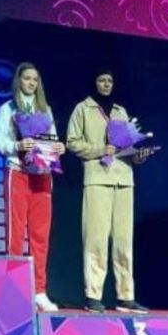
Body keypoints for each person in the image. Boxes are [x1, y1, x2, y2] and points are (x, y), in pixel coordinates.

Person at [66, 68, 154, 314]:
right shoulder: (82, 109)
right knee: (96, 239)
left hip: (124, 179)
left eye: (110, 81)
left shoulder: (120, 111)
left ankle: (126, 296)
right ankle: (93, 295)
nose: (106, 84)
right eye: (102, 80)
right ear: (94, 82)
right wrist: (100, 150)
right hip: (97, 179)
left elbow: (125, 146)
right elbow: (72, 142)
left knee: (124, 242)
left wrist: (138, 156)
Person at [0, 62, 65, 312]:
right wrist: (16, 146)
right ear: (18, 81)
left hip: (42, 175)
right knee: (15, 235)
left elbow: (52, 140)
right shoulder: (7, 109)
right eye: (27, 78)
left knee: (40, 236)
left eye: (35, 79)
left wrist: (59, 148)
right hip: (18, 173)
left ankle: (39, 291)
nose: (31, 83)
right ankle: (13, 290)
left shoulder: (45, 110)